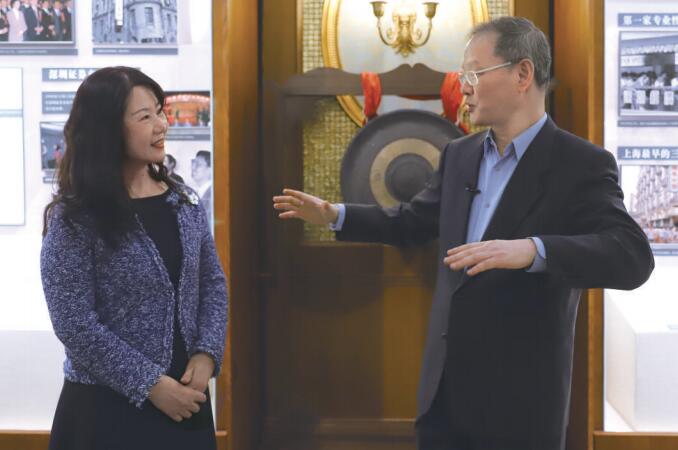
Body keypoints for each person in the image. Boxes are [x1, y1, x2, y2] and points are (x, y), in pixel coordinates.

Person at [273, 17, 654, 450]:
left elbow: (632, 256)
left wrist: (533, 250)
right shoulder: (459, 154)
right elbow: (411, 222)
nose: (463, 87)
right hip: (444, 400)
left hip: (521, 407)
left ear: (522, 74)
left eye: (473, 73)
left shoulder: (580, 163)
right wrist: (335, 215)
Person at [41, 67, 228, 450]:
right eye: (145, 117)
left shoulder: (183, 200)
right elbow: (73, 323)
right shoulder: (75, 216)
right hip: (104, 413)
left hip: (185, 406)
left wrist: (207, 354)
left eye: (160, 111)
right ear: (108, 129)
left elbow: (212, 283)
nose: (161, 125)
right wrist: (151, 385)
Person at [191, 150, 212, 221]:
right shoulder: (193, 192)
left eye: (198, 165)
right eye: (193, 164)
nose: (193, 168)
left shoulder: (214, 194)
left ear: (210, 169)